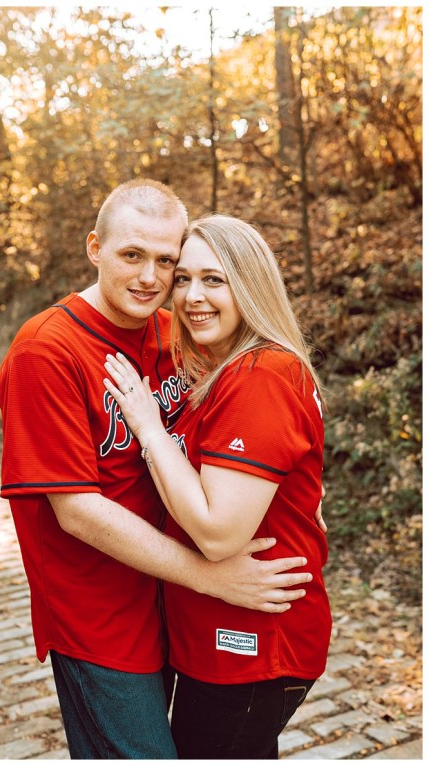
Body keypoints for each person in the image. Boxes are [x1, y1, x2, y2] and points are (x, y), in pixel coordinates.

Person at [0, 179, 315, 759]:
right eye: (132, 255)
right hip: (101, 617)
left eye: (166, 261)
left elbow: (248, 433)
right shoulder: (46, 351)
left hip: (179, 612)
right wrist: (209, 574)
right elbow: (77, 513)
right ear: (96, 248)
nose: (150, 278)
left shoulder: (178, 334)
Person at [102, 213, 330, 759]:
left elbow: (218, 534)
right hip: (218, 638)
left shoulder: (262, 375)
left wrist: (148, 427)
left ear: (249, 284)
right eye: (183, 279)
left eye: (214, 279)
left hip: (252, 643)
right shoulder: (227, 370)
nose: (191, 296)